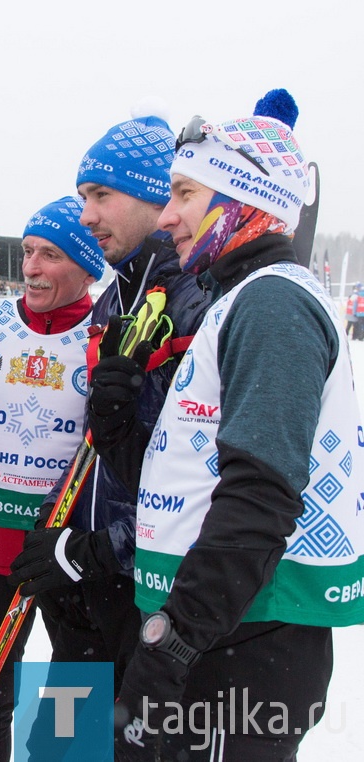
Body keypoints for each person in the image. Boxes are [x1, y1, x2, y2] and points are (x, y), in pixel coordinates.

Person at [103, 89, 364, 760]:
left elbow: (262, 493)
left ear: (240, 195)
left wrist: (178, 640)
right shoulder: (239, 300)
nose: (167, 218)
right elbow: (193, 476)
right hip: (223, 634)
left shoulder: (273, 304)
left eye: (185, 194)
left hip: (244, 643)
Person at [9, 107, 211, 693]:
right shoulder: (116, 299)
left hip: (147, 594)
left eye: (101, 195)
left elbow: (200, 485)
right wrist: (57, 533)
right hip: (82, 583)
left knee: (129, 743)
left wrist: (97, 551)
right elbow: (92, 442)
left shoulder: (199, 303)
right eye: (82, 196)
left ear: (157, 197)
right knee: (65, 740)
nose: (86, 215)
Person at [0, 197, 105, 761]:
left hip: (68, 550)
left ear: (88, 264)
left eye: (52, 255)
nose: (32, 267)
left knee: (75, 699)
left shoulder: (107, 332)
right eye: (28, 252)